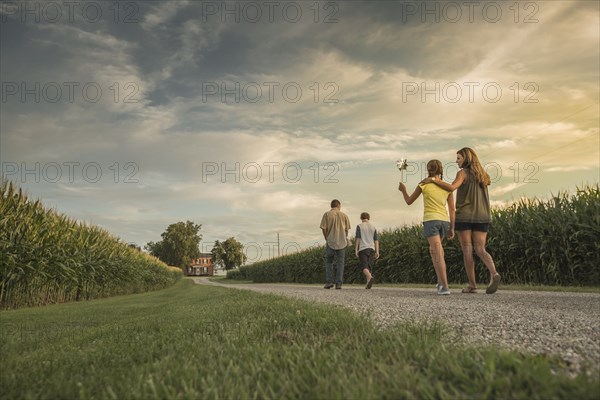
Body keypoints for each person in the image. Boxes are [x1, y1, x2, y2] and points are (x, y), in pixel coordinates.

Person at [421, 147, 501, 294]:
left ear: (466, 158)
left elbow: (451, 188)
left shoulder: (462, 173)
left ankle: (472, 285)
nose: (456, 161)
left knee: (467, 250)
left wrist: (433, 179)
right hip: (483, 216)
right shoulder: (483, 175)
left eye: (458, 158)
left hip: (465, 215)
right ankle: (494, 273)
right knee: (481, 249)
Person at [398, 160, 455, 295]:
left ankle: (445, 286)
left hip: (431, 220)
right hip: (444, 221)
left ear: (428, 169)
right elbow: (452, 209)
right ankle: (440, 283)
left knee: (437, 253)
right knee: (434, 251)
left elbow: (409, 201)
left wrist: (403, 190)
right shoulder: (447, 187)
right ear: (441, 170)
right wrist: (452, 227)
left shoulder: (423, 184)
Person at [320, 199, 351, 289]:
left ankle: (329, 282)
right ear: (339, 205)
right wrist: (344, 237)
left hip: (330, 241)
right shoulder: (344, 215)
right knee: (340, 263)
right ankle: (338, 283)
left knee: (329, 262)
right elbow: (347, 229)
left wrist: (326, 238)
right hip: (342, 242)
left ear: (331, 206)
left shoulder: (326, 214)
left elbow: (323, 228)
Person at [355, 212, 379, 289]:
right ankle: (368, 283)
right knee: (369, 265)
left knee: (363, 265)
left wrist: (356, 249)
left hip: (363, 248)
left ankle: (370, 277)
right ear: (368, 218)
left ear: (361, 218)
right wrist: (377, 251)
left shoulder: (359, 226)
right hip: (372, 248)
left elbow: (357, 238)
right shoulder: (373, 227)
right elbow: (376, 240)